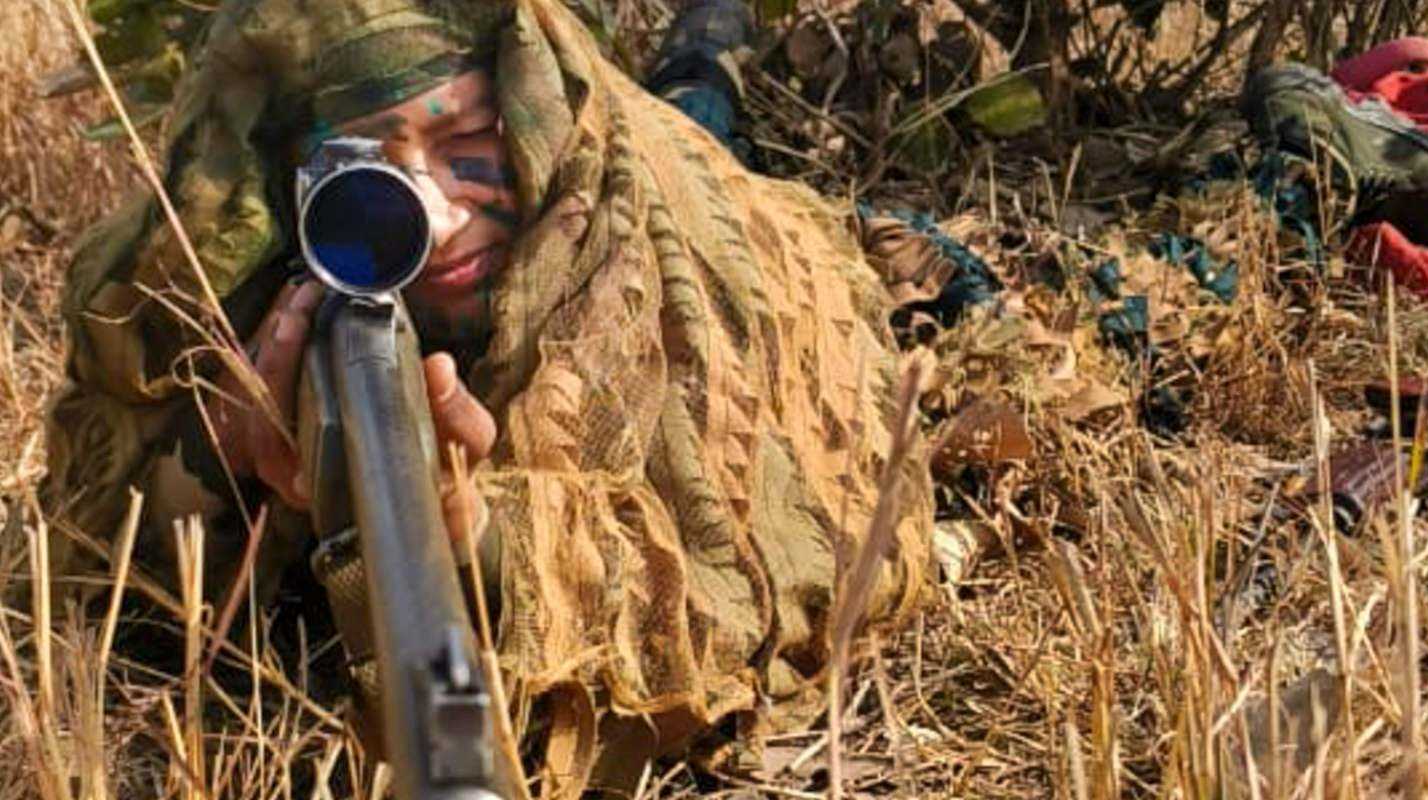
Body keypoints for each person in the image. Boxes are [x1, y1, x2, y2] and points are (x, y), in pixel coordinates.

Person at [37, 0, 947, 793]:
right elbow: (78, 568)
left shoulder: (640, 259)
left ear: (528, 116)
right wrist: (222, 470)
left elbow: (773, 585)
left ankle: (714, 34)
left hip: (683, 175)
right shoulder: (237, 280)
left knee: (702, 106)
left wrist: (482, 536)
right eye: (368, 175)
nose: (430, 219)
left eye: (469, 142)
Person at [1243, 37, 1428, 319]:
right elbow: (1391, 63)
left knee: (1287, 102)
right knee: (1282, 81)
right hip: (1367, 122)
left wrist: (1368, 238)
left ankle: (1303, 187)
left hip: (1423, 202)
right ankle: (1287, 181)